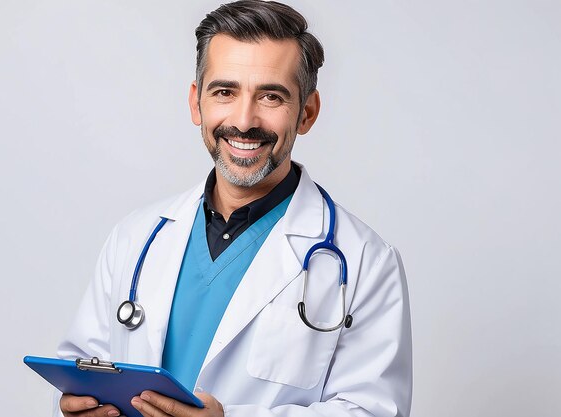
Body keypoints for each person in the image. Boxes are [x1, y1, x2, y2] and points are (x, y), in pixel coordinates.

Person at [55, 1, 412, 416]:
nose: (244, 120)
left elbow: (373, 411)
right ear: (197, 103)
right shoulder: (135, 238)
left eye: (271, 96)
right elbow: (83, 368)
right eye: (225, 92)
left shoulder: (366, 260)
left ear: (307, 113)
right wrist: (77, 407)